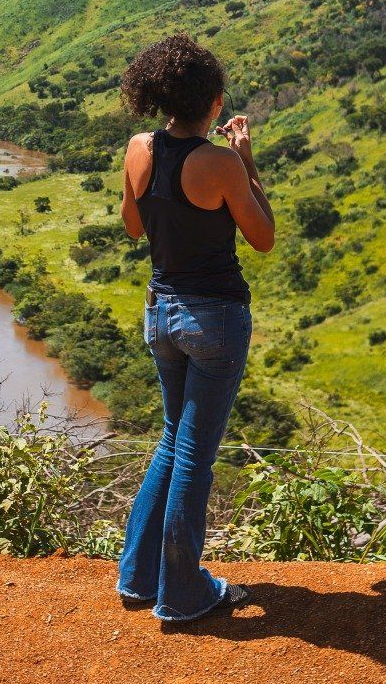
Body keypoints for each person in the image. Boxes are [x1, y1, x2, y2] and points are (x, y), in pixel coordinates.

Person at [114, 33, 276, 623]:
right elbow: (263, 237)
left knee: (170, 439)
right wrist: (248, 161)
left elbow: (134, 226)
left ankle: (137, 577)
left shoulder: (138, 148)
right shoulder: (220, 162)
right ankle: (182, 592)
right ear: (212, 100)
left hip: (160, 310)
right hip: (214, 317)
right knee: (194, 457)